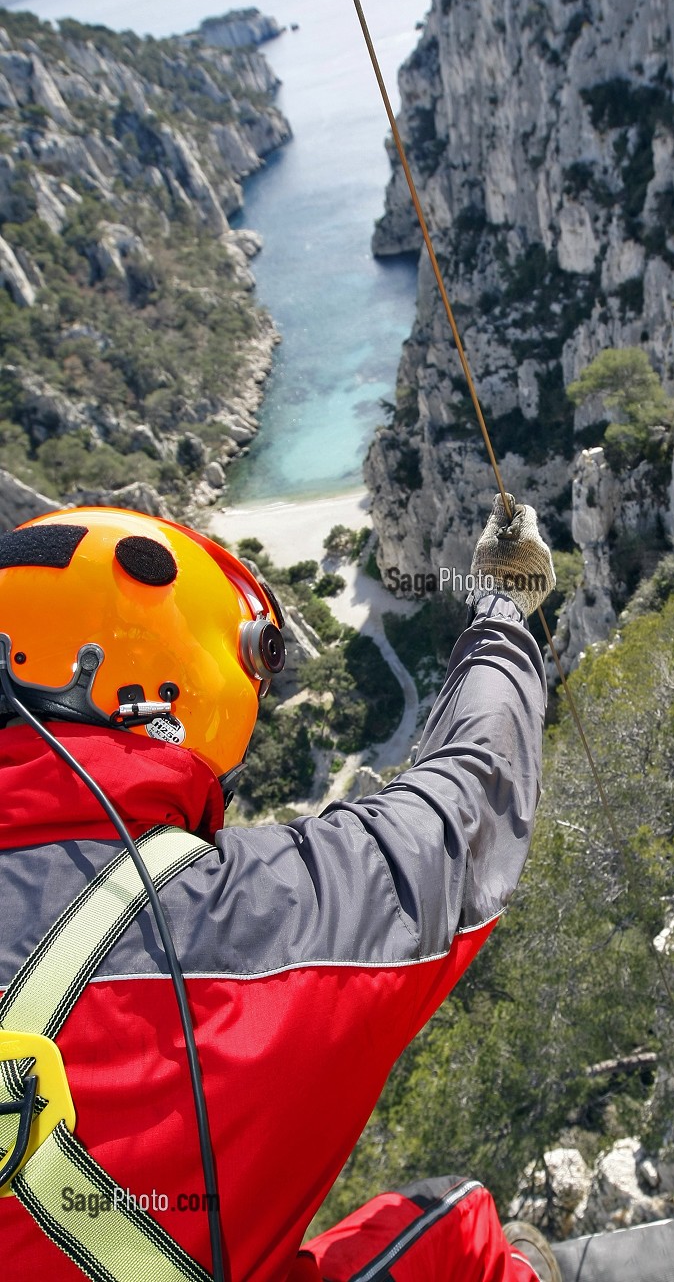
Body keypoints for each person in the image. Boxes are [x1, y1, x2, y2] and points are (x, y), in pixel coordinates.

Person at [0, 495, 561, 1282]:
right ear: (182, 676)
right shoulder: (242, 925)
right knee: (451, 1225)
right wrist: (502, 608)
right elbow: (465, 808)